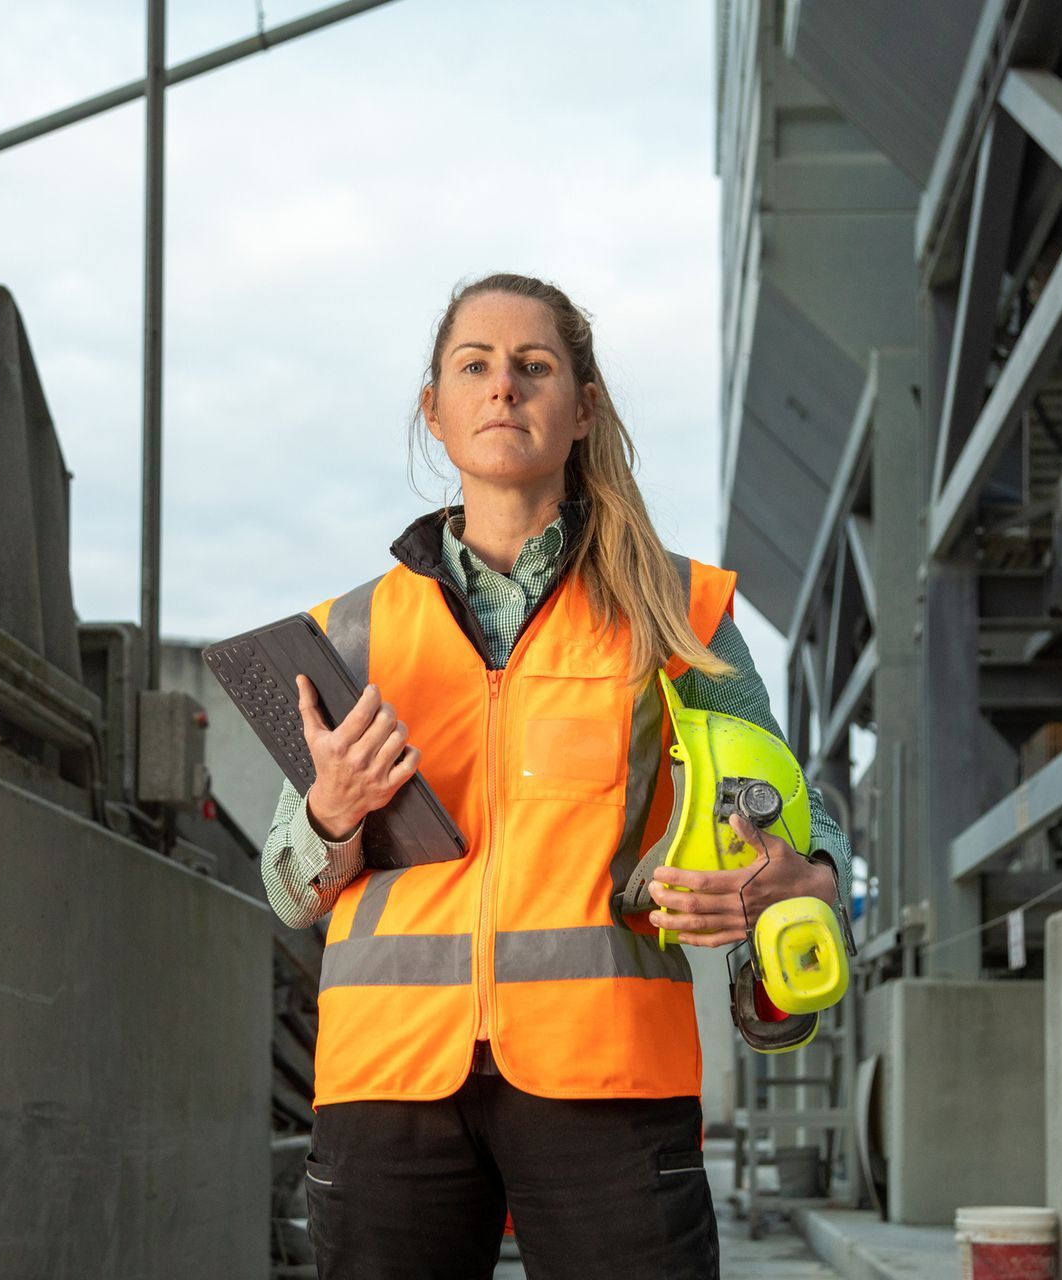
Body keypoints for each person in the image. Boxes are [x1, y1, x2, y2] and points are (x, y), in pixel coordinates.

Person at [261, 272, 854, 1279]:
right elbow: (288, 884)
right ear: (435, 413)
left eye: (534, 366)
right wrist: (332, 811)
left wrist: (802, 885)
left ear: (582, 409)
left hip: (608, 1076)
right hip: (387, 1078)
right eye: (475, 366)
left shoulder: (672, 608)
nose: (504, 388)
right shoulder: (349, 632)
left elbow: (796, 814)